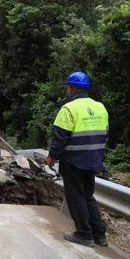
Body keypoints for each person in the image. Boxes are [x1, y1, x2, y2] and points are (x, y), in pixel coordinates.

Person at [46, 71, 109, 248]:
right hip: (93, 159)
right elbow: (105, 134)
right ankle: (99, 235)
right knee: (88, 196)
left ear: (71, 88)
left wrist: (52, 156)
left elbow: (60, 137)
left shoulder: (68, 109)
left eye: (67, 86)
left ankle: (84, 234)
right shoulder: (100, 107)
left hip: (74, 160)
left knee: (76, 197)